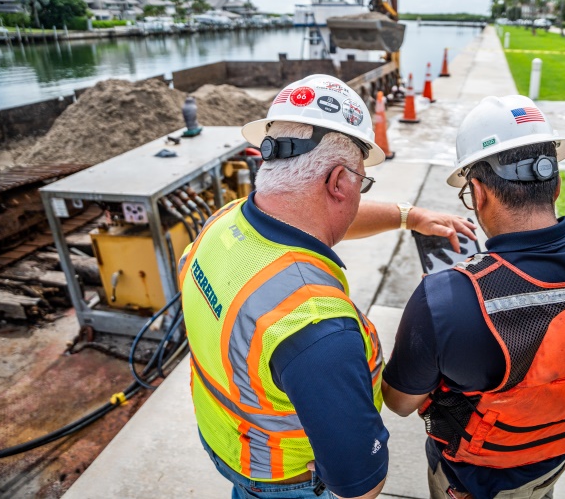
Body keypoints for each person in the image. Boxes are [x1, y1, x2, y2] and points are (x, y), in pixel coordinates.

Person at [178, 74, 475, 499]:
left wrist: (407, 216)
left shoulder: (225, 223)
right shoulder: (315, 325)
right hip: (289, 482)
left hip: (231, 442)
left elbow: (312, 214)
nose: (357, 198)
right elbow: (361, 484)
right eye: (360, 183)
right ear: (339, 182)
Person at [382, 95, 565, 499]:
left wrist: (435, 315)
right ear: (556, 183)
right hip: (555, 460)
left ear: (478, 192)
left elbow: (400, 402)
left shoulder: (447, 299)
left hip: (470, 481)